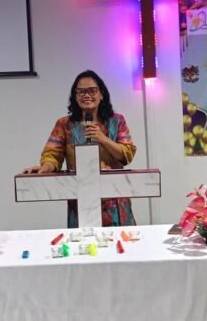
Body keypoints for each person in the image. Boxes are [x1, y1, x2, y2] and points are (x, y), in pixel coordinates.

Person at [22, 70, 137, 228]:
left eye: (92, 90)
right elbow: (52, 154)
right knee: (83, 241)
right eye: (81, 91)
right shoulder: (64, 125)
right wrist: (45, 168)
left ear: (102, 94)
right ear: (75, 96)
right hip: (81, 198)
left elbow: (127, 154)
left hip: (115, 198)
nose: (86, 95)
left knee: (117, 241)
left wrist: (103, 138)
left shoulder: (117, 121)